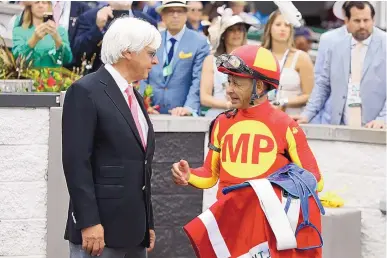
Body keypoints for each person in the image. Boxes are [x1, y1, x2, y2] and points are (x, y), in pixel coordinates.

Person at [171, 44, 324, 257]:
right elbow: (209, 176)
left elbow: (315, 180)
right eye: (229, 82)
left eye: (237, 83)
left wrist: (270, 190)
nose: (229, 89)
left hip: (265, 234)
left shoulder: (287, 125)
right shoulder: (222, 122)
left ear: (259, 86)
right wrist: (189, 176)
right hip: (228, 228)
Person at [62, 17, 161, 258]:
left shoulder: (134, 96)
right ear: (128, 51)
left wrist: (147, 222)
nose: (155, 61)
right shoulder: (85, 91)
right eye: (150, 53)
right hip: (98, 235)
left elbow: (140, 165)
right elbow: (76, 162)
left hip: (134, 234)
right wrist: (88, 222)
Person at [293, 1, 386, 129]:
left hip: (376, 129)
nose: (362, 25)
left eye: (366, 20)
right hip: (339, 127)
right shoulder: (336, 45)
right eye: (357, 21)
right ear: (346, 21)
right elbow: (323, 84)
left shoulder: (384, 44)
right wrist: (307, 114)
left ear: (373, 20)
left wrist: (383, 119)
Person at [139, 0, 210, 116]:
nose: (175, 15)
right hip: (151, 113)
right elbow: (143, 75)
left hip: (183, 114)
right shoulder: (152, 40)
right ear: (162, 16)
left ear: (186, 15)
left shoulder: (199, 43)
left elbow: (198, 79)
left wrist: (188, 108)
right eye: (170, 11)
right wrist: (145, 105)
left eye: (180, 11)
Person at [201, 8, 259, 118]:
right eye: (232, 30)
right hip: (218, 114)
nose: (236, 33)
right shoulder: (211, 60)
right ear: (223, 34)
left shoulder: (253, 59)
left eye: (240, 29)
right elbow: (204, 98)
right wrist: (228, 105)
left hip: (247, 115)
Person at [261, 10, 315, 116]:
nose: (282, 28)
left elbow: (309, 95)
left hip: (291, 118)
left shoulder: (302, 57)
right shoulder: (259, 55)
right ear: (269, 28)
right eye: (278, 24)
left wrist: (283, 102)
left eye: (287, 25)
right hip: (263, 116)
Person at [12, 1, 72, 68]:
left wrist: (58, 40)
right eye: (37, 2)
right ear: (30, 6)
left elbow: (67, 60)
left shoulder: (60, 31)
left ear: (49, 6)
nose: (40, 5)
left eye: (44, 2)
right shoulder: (19, 31)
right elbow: (16, 59)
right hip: (26, 77)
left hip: (52, 77)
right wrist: (33, 40)